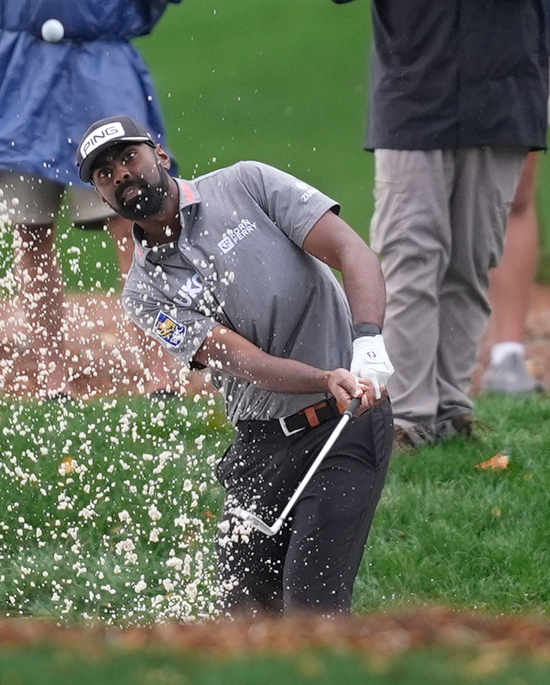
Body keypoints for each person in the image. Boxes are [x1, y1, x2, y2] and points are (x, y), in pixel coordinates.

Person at [76, 115, 395, 615]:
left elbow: (350, 251)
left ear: (159, 155)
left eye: (127, 157)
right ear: (101, 195)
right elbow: (242, 361)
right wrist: (321, 376)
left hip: (343, 424)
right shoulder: (142, 293)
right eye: (104, 173)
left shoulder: (247, 183)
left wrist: (368, 341)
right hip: (261, 446)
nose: (119, 174)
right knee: (241, 618)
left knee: (312, 608)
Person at [0, 0, 182, 400]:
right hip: (18, 86)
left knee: (132, 225)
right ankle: (53, 375)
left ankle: (159, 370)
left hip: (101, 74)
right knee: (30, 230)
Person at [334, 0, 550, 449]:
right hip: (414, 93)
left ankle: (451, 410)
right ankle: (407, 417)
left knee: (473, 258)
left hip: (501, 91)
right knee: (410, 255)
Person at [483, 0, 550, 395]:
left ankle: (507, 354)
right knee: (432, 189)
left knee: (515, 188)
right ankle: (427, 352)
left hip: (530, 30)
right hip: (435, 37)